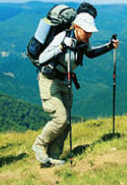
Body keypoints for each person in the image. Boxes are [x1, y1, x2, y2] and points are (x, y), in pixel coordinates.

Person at [32, 11, 119, 167]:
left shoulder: (83, 41)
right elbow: (42, 59)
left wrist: (109, 46)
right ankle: (39, 145)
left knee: (66, 123)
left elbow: (91, 53)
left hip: (66, 80)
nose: (89, 35)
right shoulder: (62, 37)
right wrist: (61, 47)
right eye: (87, 31)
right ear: (77, 27)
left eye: (91, 32)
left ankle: (53, 157)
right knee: (60, 118)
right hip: (49, 81)